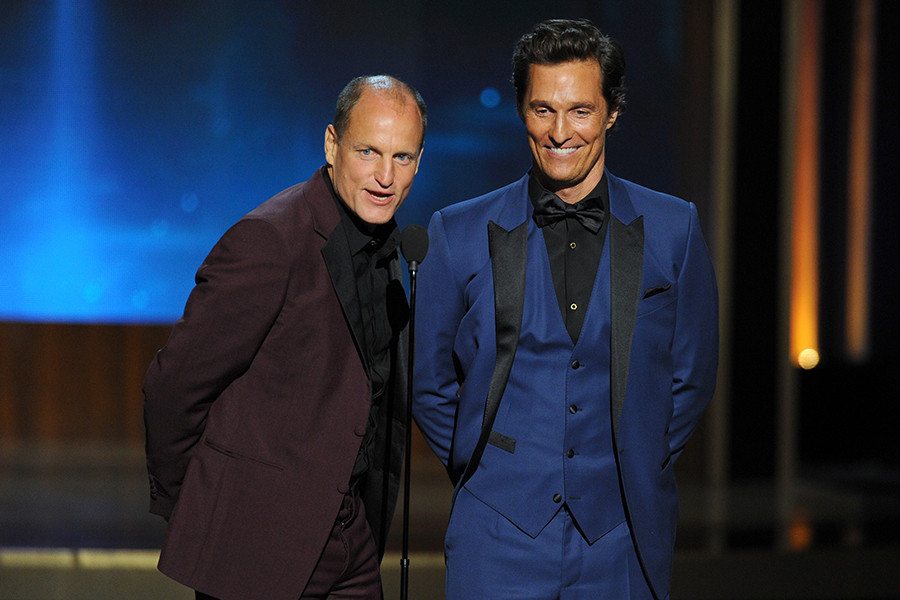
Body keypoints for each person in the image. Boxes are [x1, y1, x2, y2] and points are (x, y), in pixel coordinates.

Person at [413, 18, 718, 600]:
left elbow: (691, 376)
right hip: (495, 535)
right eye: (541, 110)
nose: (559, 132)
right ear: (521, 112)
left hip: (620, 536)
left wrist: (634, 459)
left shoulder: (674, 229)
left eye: (579, 110)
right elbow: (428, 384)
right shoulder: (457, 232)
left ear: (612, 112)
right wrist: (489, 471)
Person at [143, 74, 427, 600]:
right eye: (368, 151)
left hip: (351, 547)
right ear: (332, 144)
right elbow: (172, 387)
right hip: (258, 549)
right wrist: (206, 510)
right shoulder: (270, 240)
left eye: (403, 157)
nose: (386, 176)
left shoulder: (393, 253)